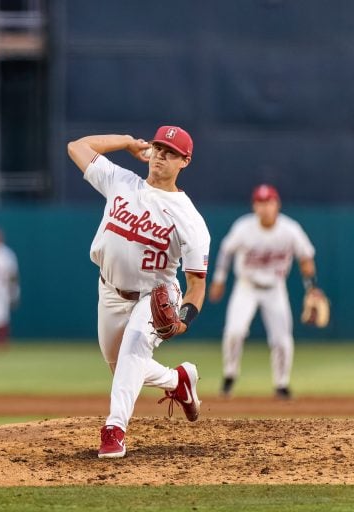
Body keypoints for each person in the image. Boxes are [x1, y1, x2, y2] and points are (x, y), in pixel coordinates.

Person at [67, 126, 211, 459]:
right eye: (159, 148)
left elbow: (196, 285)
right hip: (110, 293)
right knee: (124, 370)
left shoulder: (190, 220)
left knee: (134, 349)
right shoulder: (122, 182)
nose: (161, 155)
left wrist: (183, 322)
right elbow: (78, 146)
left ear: (184, 162)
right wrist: (127, 143)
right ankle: (178, 381)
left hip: (155, 295)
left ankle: (114, 430)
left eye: (170, 152)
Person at [208, 184, 319, 400]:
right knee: (234, 332)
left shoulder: (290, 229)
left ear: (277, 204)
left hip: (275, 289)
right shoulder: (244, 227)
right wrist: (219, 280)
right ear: (254, 206)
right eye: (260, 202)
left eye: (268, 202)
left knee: (282, 340)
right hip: (246, 287)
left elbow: (306, 258)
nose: (265, 207)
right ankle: (230, 375)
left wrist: (311, 287)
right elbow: (226, 251)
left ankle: (281, 384)